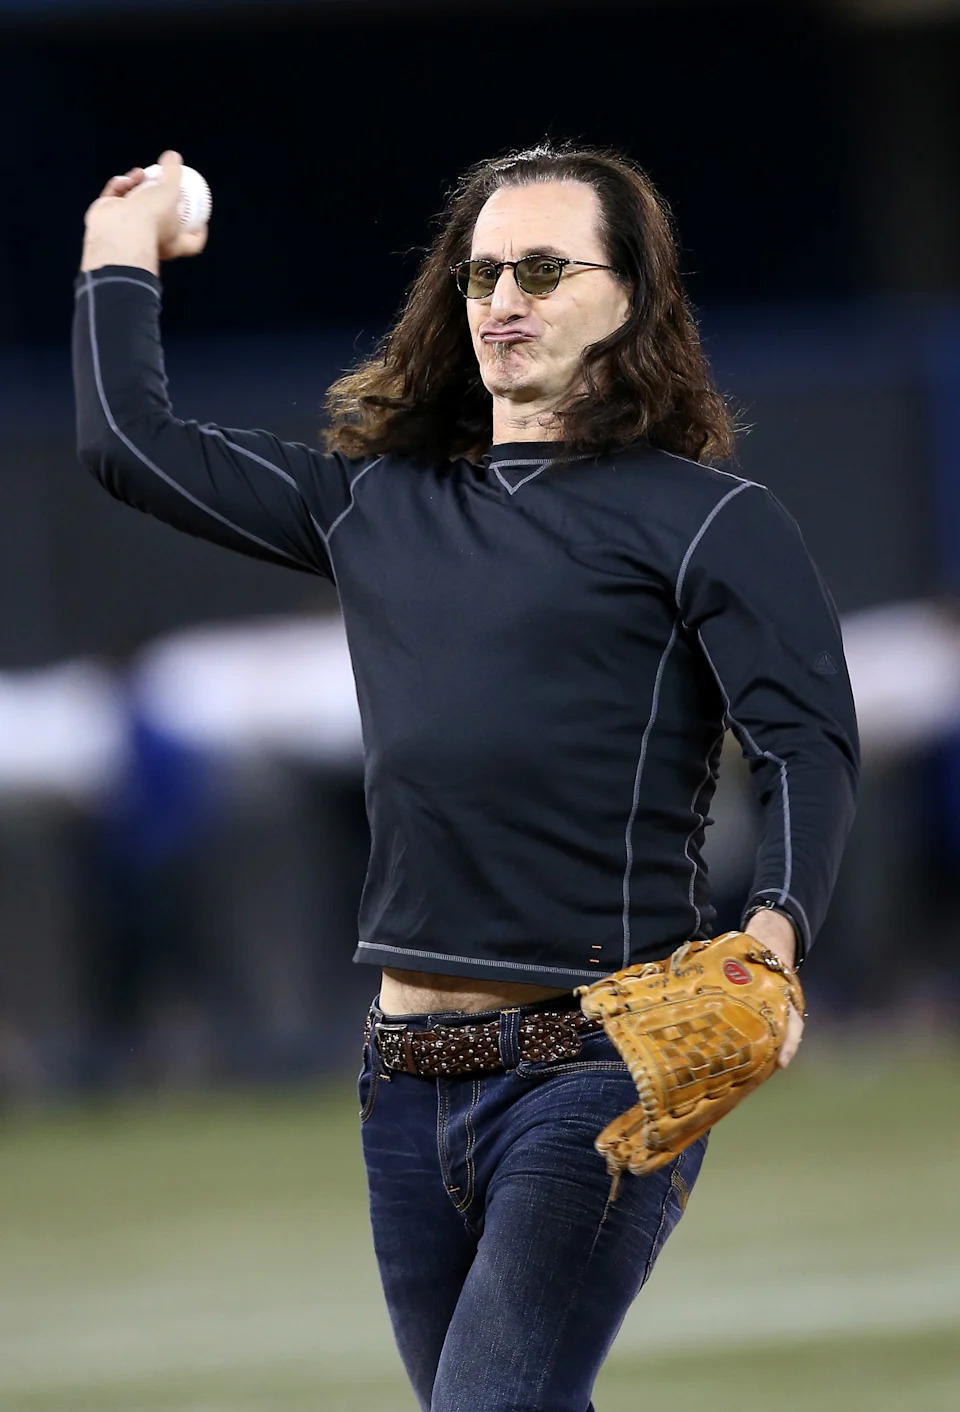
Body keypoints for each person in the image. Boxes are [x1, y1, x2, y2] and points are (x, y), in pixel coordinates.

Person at [73, 144, 859, 1412]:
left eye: (544, 268)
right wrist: (122, 247)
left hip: (597, 1067)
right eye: (482, 271)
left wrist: (776, 927)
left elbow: (806, 736)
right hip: (401, 1079)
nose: (503, 297)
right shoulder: (375, 503)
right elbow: (127, 443)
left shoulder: (709, 517)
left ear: (633, 296)